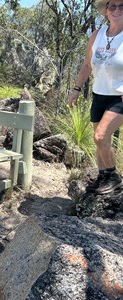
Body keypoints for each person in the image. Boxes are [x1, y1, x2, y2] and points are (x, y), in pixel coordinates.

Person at [68, 0, 123, 194]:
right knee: (100, 139)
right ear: (106, 11)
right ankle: (103, 177)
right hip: (99, 94)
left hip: (119, 97)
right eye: (112, 6)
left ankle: (114, 177)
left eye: (121, 6)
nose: (117, 10)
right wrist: (76, 88)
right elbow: (86, 66)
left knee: (101, 136)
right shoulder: (97, 35)